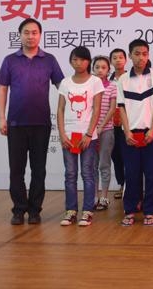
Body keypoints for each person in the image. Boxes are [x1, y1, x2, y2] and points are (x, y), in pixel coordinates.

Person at [0, 18, 64, 225]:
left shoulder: (49, 60)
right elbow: (2, 89)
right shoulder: (10, 60)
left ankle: (35, 210)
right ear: (20, 35)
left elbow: (62, 86)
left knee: (39, 170)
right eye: (26, 32)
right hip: (16, 123)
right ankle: (18, 210)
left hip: (41, 123)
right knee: (16, 170)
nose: (30, 36)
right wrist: (1, 117)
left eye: (34, 32)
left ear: (40, 35)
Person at [117, 39, 153, 226]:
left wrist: (152, 129)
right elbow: (121, 107)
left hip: (150, 134)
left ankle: (151, 211)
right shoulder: (123, 79)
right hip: (130, 135)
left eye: (144, 54)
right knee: (131, 174)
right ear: (130, 56)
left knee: (151, 174)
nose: (141, 58)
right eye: (137, 54)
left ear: (148, 55)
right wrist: (127, 132)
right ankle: (130, 210)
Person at [57, 46, 104, 226]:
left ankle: (87, 211)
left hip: (87, 137)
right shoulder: (65, 82)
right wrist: (62, 134)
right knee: (70, 174)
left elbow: (97, 109)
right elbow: (60, 109)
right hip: (69, 137)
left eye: (82, 59)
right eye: (75, 59)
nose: (78, 63)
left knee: (87, 173)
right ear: (70, 61)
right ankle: (71, 211)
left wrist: (89, 133)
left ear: (88, 61)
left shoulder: (95, 82)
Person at [92, 55, 117, 211]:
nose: (100, 70)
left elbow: (112, 109)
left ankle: (104, 196)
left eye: (103, 67)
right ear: (92, 69)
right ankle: (94, 197)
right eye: (97, 67)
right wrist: (92, 128)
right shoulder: (89, 86)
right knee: (92, 165)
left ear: (108, 70)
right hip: (90, 132)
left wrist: (101, 126)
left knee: (104, 164)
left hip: (106, 130)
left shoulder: (112, 86)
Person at [109, 48, 127, 199]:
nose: (118, 60)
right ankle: (122, 184)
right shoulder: (107, 81)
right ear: (111, 61)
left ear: (126, 60)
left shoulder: (130, 78)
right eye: (115, 58)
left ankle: (131, 185)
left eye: (121, 57)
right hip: (111, 123)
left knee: (128, 154)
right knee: (115, 155)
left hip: (127, 122)